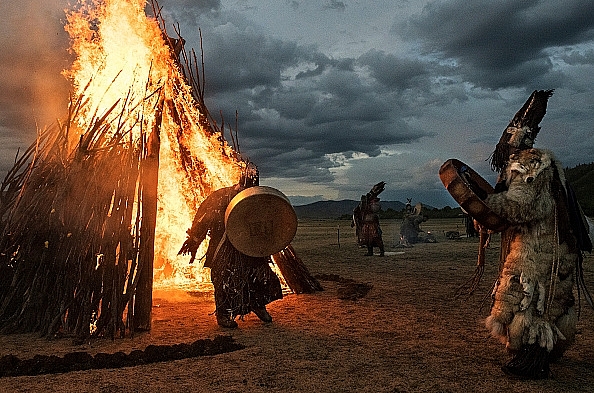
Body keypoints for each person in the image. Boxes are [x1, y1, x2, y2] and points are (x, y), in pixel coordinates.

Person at [178, 172, 283, 328]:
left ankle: (257, 304)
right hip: (224, 247)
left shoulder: (256, 198)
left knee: (262, 276)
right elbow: (203, 218)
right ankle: (223, 315)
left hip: (250, 246)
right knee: (224, 281)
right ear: (239, 184)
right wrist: (194, 240)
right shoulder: (220, 197)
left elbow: (266, 222)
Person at [352, 182, 385, 256]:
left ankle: (382, 251)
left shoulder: (375, 203)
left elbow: (376, 209)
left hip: (372, 223)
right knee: (367, 239)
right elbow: (358, 210)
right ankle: (370, 252)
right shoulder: (364, 204)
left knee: (376, 237)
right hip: (366, 223)